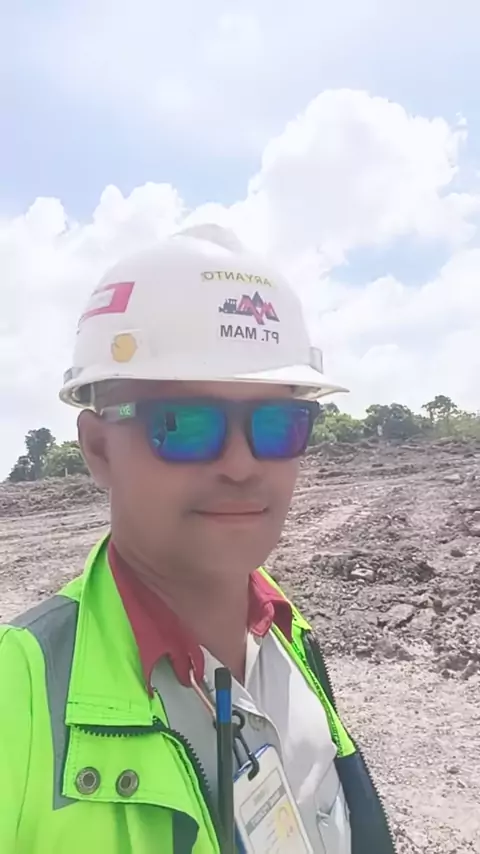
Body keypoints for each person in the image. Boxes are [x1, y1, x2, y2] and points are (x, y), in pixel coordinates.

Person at [0, 224, 395, 853]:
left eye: (277, 424)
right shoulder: (17, 697)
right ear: (99, 449)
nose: (241, 464)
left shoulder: (289, 635)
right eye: (183, 424)